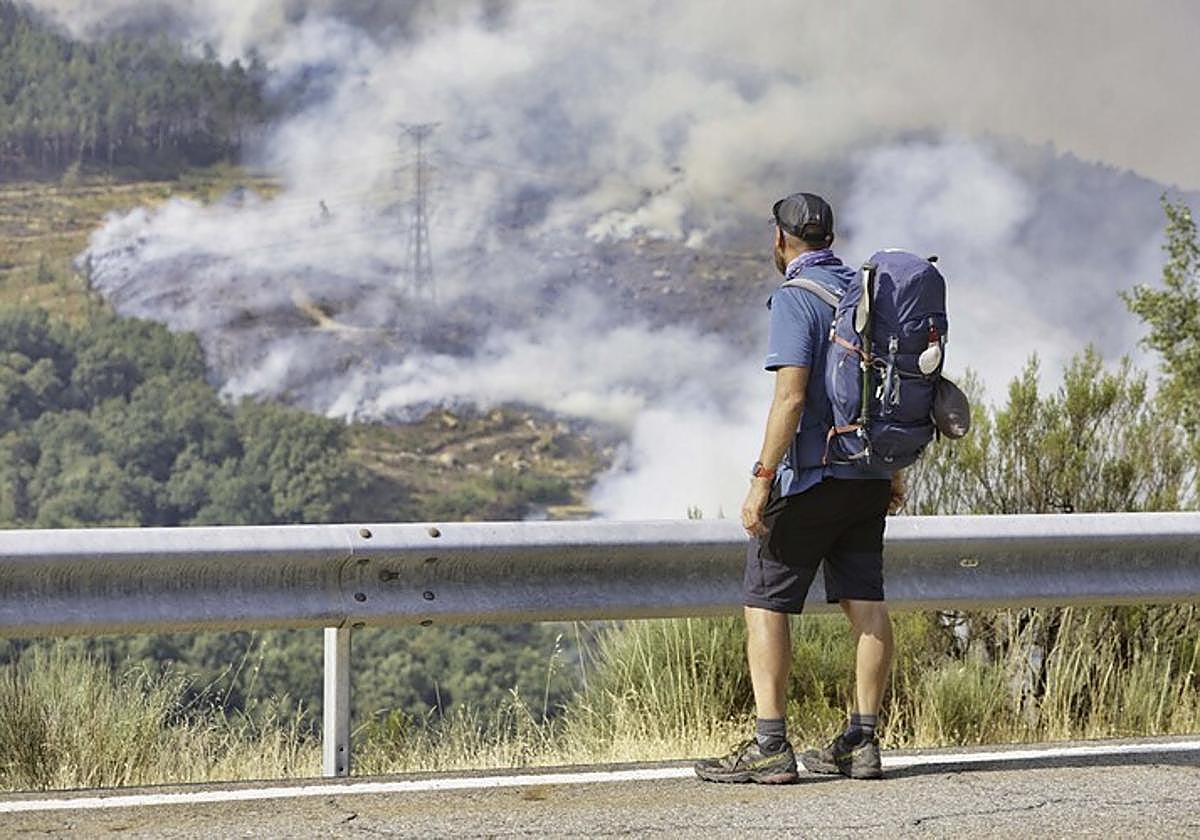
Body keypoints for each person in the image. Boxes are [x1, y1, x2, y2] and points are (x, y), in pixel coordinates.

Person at [694, 192, 903, 785]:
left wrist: (761, 480)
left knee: (765, 601)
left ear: (781, 240)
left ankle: (770, 745)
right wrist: (893, 470)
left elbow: (790, 397)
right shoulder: (865, 293)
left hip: (812, 477)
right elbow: (886, 392)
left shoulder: (796, 297)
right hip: (867, 476)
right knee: (866, 603)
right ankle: (861, 743)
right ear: (829, 238)